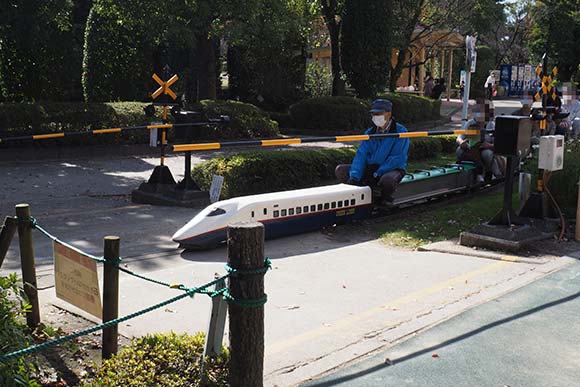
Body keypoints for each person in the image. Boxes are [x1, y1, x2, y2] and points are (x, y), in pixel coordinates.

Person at [335, 99, 409, 203]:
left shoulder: (401, 132)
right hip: (371, 168)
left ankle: (384, 200)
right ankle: (359, 196)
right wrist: (354, 177)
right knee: (341, 170)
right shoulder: (370, 132)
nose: (375, 117)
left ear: (389, 114)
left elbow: (397, 158)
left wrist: (378, 172)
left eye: (379, 113)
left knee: (388, 181)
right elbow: (361, 155)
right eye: (373, 114)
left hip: (391, 169)